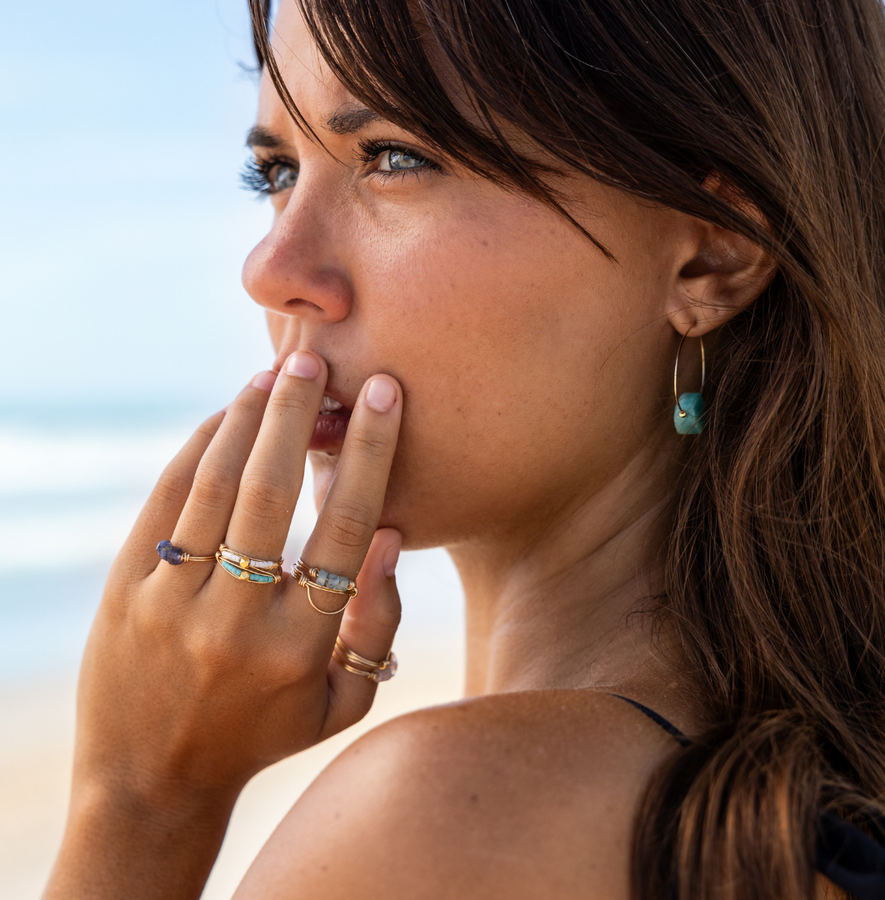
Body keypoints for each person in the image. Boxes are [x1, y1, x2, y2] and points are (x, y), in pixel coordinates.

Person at [43, 0, 885, 897]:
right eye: (275, 171)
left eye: (394, 158)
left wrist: (139, 802)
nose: (271, 268)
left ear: (712, 257)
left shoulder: (440, 825)